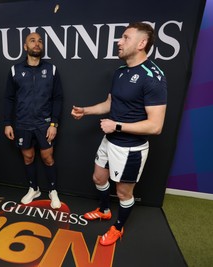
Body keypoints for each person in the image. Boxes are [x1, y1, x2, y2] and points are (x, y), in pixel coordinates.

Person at [71, 22, 167, 246]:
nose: (118, 41)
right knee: (98, 178)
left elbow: (156, 126)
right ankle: (104, 209)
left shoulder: (153, 76)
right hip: (110, 140)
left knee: (123, 194)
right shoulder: (120, 72)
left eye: (125, 37)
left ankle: (118, 227)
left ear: (142, 43)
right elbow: (109, 104)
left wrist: (117, 126)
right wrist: (86, 111)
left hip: (130, 149)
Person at [4, 32, 64, 209]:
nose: (36, 44)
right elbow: (9, 98)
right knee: (28, 157)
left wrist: (54, 123)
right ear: (25, 47)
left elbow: (58, 98)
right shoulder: (15, 70)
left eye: (39, 41)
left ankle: (53, 190)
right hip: (22, 124)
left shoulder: (51, 69)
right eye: (32, 41)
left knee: (48, 158)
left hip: (44, 123)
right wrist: (8, 122)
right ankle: (34, 188)